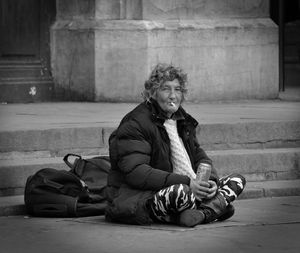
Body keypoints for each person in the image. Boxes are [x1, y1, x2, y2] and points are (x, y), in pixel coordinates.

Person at [105, 63, 246, 227]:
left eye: (177, 89)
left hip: (186, 186)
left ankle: (201, 213)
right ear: (153, 93)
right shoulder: (135, 123)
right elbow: (137, 173)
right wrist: (187, 183)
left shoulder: (181, 120)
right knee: (181, 192)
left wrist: (210, 182)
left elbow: (200, 156)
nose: (173, 96)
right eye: (166, 89)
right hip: (141, 197)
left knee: (237, 180)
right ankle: (214, 208)